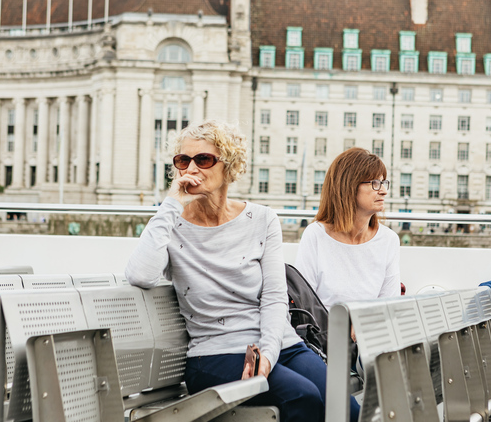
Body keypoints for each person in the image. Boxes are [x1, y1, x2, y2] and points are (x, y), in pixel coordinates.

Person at [125, 120, 359, 422]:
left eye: (204, 159)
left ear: (229, 166)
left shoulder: (261, 219)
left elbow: (275, 298)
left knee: (347, 408)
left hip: (279, 344)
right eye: (183, 160)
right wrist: (172, 202)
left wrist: (268, 355)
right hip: (214, 355)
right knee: (302, 397)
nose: (191, 169)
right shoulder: (171, 223)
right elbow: (140, 274)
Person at [296, 148, 400, 309]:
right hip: (324, 331)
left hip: (368, 330)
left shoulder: (388, 240)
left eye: (383, 182)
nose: (384, 191)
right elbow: (305, 304)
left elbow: (389, 305)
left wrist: (361, 321)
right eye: (375, 183)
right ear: (348, 186)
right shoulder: (315, 235)